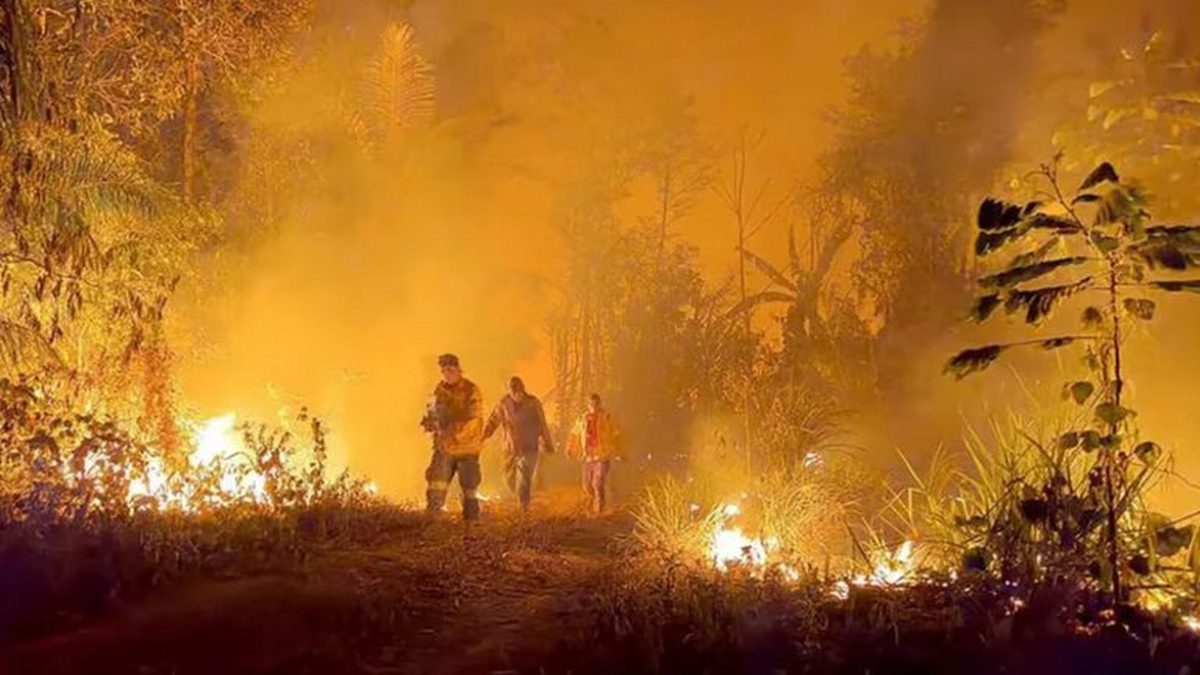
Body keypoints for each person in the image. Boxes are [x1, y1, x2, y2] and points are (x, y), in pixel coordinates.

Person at [420, 353, 485, 521]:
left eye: (450, 370)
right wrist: (430, 422)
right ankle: (433, 520)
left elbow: (474, 420)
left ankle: (471, 523)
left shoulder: (471, 390)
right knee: (436, 483)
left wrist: (453, 434)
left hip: (466, 448)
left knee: (469, 488)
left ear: (458, 369)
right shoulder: (439, 390)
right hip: (444, 448)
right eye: (443, 371)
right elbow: (435, 412)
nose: (446, 374)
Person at [482, 376, 554, 511]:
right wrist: (483, 435)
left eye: (519, 392)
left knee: (524, 474)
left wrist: (547, 442)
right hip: (510, 448)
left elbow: (542, 423)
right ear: (510, 392)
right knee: (508, 478)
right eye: (514, 392)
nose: (517, 395)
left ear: (523, 390)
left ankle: (523, 505)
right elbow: (493, 421)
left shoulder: (532, 403)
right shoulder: (503, 404)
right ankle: (521, 497)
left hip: (529, 446)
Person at [565, 393, 623, 514]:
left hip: (603, 455)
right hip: (588, 456)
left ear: (600, 404)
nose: (594, 406)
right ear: (588, 405)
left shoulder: (607, 418)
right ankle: (591, 505)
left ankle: (600, 508)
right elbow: (574, 435)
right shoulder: (582, 419)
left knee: (597, 482)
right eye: (591, 404)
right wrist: (569, 448)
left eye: (596, 404)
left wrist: (619, 450)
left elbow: (616, 434)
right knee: (587, 485)